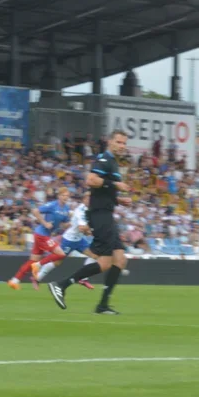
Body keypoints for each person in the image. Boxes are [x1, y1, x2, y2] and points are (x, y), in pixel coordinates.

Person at [48, 130, 132, 315]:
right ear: (110, 142)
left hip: (106, 213)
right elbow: (91, 180)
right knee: (105, 262)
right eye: (119, 142)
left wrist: (118, 200)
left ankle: (102, 305)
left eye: (124, 143)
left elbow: (101, 192)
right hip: (100, 215)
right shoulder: (104, 159)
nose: (122, 146)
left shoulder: (113, 162)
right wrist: (115, 185)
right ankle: (61, 285)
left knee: (120, 259)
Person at [9, 188, 71, 291]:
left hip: (43, 235)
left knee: (32, 261)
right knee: (61, 254)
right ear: (59, 196)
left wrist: (70, 224)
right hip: (41, 235)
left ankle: (14, 280)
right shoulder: (52, 205)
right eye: (64, 195)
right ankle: (38, 266)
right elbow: (35, 211)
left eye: (67, 195)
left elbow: (63, 224)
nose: (66, 197)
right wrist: (45, 223)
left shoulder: (66, 209)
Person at [32, 192, 96, 290]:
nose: (90, 200)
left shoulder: (90, 210)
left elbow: (83, 230)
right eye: (88, 198)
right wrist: (92, 231)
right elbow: (82, 228)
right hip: (69, 240)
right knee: (57, 262)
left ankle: (83, 279)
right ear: (84, 200)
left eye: (92, 199)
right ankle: (37, 278)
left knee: (95, 256)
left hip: (79, 240)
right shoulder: (80, 210)